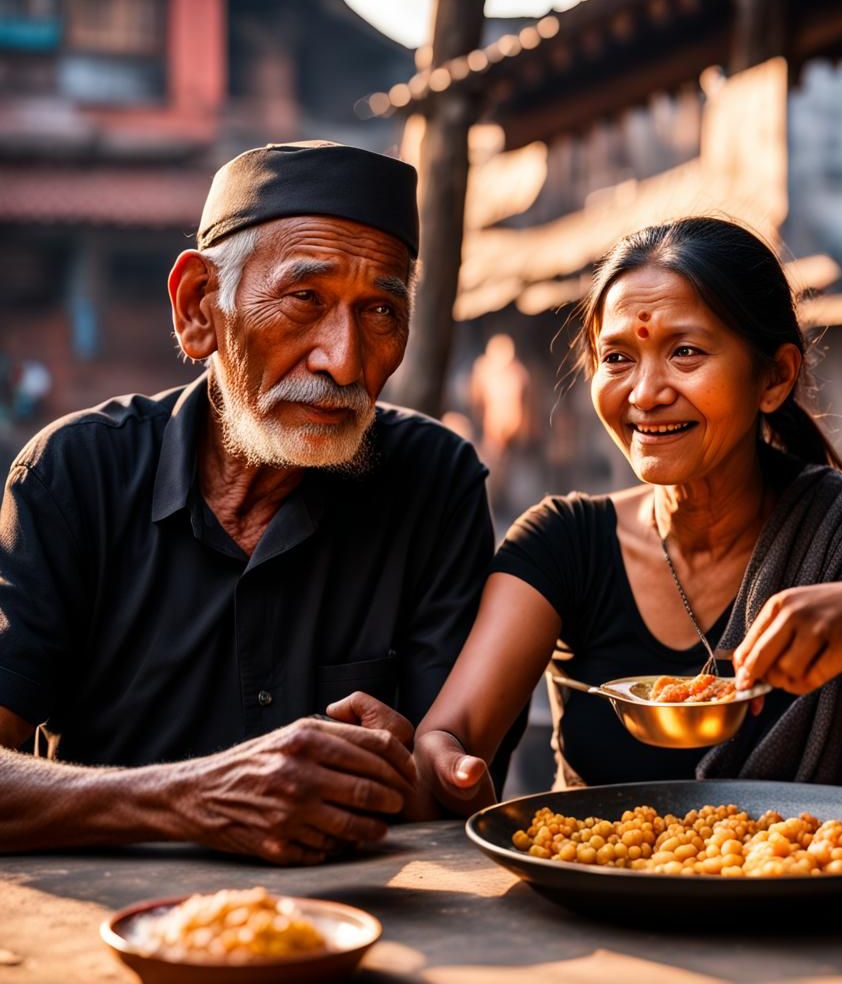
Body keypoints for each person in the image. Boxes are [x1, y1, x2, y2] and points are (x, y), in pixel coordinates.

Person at [0, 141, 520, 865]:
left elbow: (447, 775)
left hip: (365, 926)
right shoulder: (73, 476)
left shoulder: (435, 482)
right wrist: (192, 796)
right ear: (197, 309)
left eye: (379, 311)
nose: (343, 359)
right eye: (305, 299)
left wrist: (424, 773)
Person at [415, 217, 842, 827]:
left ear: (775, 377)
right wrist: (447, 767)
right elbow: (452, 735)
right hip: (605, 914)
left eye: (685, 352)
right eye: (619, 357)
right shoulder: (562, 545)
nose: (646, 392)